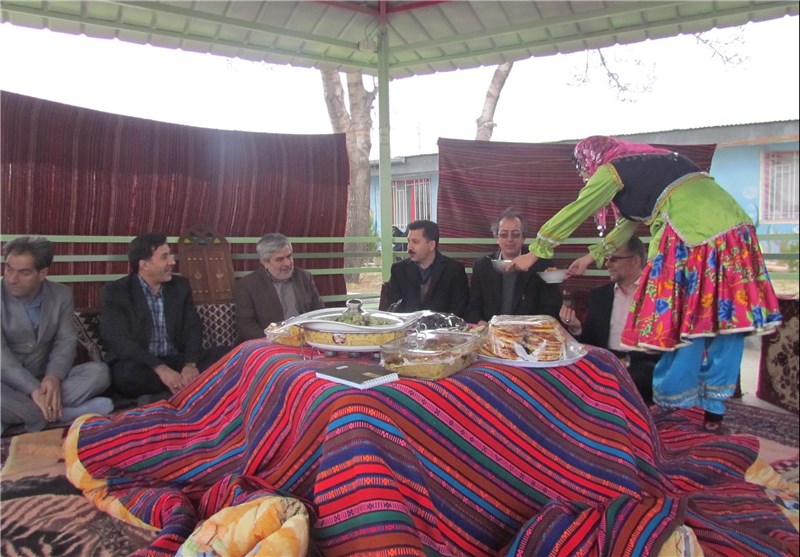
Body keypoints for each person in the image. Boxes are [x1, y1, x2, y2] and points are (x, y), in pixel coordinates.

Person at [510, 135, 781, 431]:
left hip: (691, 231)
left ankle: (673, 404)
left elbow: (579, 208)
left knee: (679, 321)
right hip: (736, 231)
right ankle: (713, 412)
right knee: (726, 319)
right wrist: (591, 257)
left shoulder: (611, 170)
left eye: (582, 169)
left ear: (591, 159)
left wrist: (536, 252)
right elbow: (628, 224)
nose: (584, 176)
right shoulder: (653, 165)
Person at [2, 236, 112, 434]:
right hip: (5, 382)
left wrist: (53, 377)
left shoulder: (61, 295)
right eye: (8, 268)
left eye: (23, 272)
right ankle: (61, 413)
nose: (11, 278)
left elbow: (66, 340)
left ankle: (20, 414)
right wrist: (33, 389)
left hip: (45, 378)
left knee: (99, 373)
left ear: (42, 273)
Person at [100, 233, 228, 403]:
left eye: (171, 255)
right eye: (164, 257)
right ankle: (192, 392)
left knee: (226, 355)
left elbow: (193, 327)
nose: (172, 262)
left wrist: (190, 364)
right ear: (144, 265)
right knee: (125, 376)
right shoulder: (117, 291)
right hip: (143, 364)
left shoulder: (180, 286)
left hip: (177, 360)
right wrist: (160, 369)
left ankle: (162, 397)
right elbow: (118, 340)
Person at [559, 237, 658, 404]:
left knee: (634, 377)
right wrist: (576, 327)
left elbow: (663, 347)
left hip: (642, 365)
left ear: (635, 261)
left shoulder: (657, 295)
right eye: (606, 259)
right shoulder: (599, 296)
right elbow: (590, 342)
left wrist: (625, 362)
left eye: (614, 259)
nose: (607, 264)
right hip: (604, 363)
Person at [465, 207, 561, 325]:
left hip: (529, 335)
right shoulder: (482, 265)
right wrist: (481, 324)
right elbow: (473, 306)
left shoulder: (544, 264)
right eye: (504, 235)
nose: (510, 239)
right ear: (497, 238)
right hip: (490, 333)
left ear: (524, 238)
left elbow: (553, 306)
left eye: (515, 235)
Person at [234, 232, 324, 340]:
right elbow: (246, 326)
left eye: (289, 256)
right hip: (268, 343)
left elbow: (319, 313)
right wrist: (277, 340)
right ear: (265, 262)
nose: (287, 263)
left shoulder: (304, 278)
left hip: (307, 341)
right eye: (279, 259)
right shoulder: (247, 286)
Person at [385, 219, 469, 316]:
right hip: (407, 328)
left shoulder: (454, 270)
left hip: (442, 329)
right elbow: (393, 308)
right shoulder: (399, 270)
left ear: (431, 245)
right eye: (408, 241)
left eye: (415, 242)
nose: (409, 247)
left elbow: (459, 310)